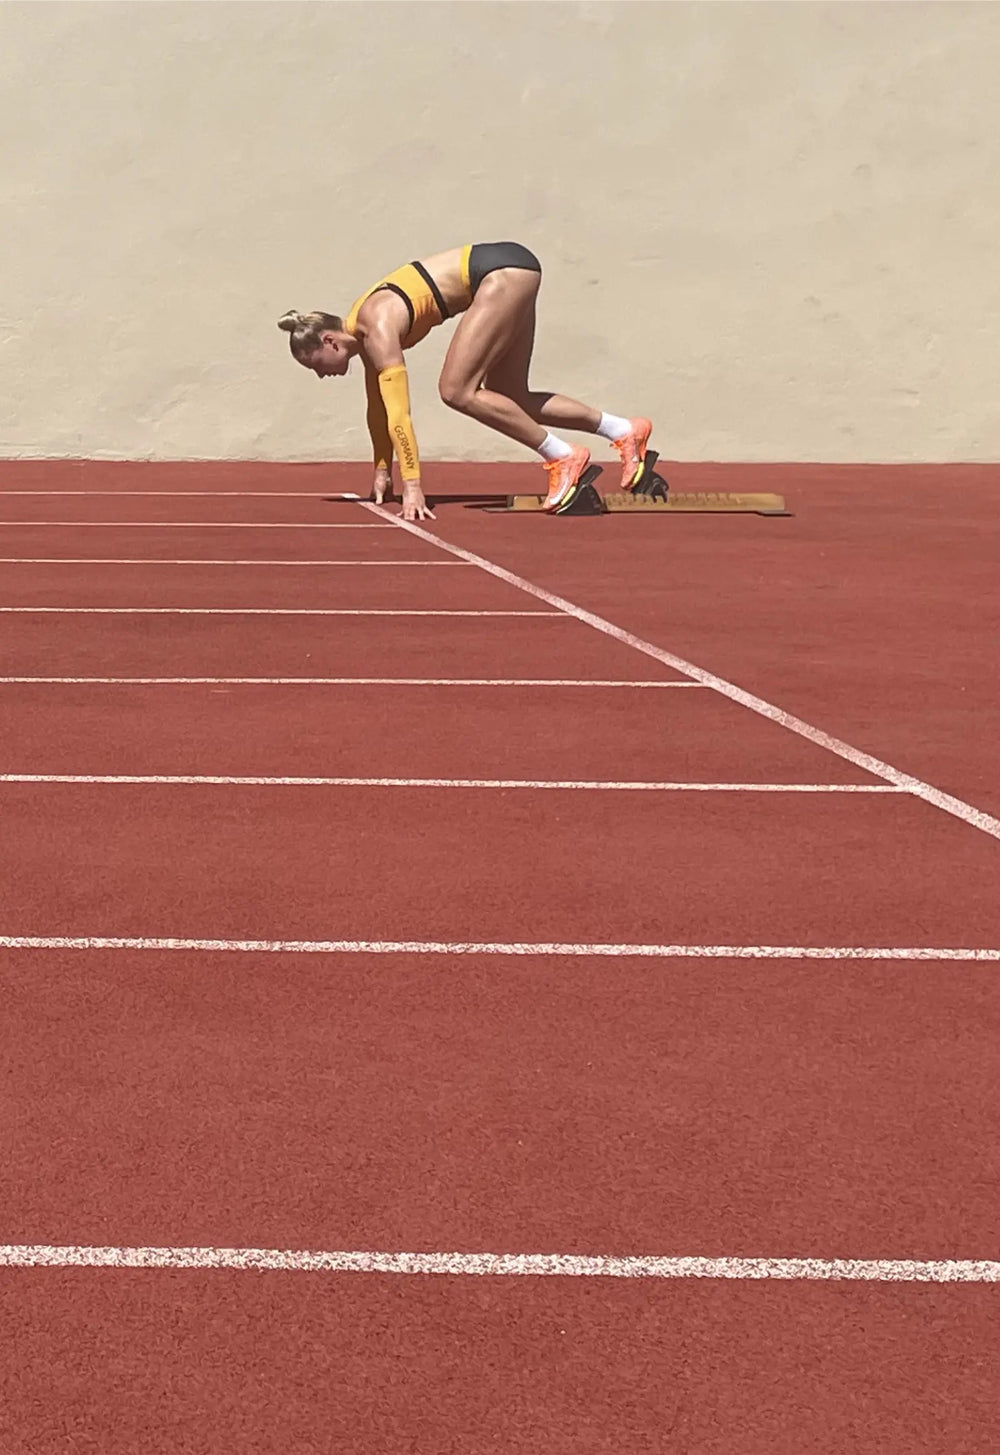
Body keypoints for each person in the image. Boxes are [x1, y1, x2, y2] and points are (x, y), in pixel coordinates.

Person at [278, 241, 652, 521]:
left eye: (316, 365)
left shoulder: (375, 329)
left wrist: (413, 486)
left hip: (500, 275)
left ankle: (563, 456)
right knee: (508, 395)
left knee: (456, 390)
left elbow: (399, 415)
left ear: (329, 341)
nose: (320, 375)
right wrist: (381, 472)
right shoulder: (363, 329)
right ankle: (622, 430)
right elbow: (377, 409)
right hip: (512, 269)